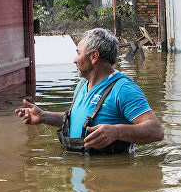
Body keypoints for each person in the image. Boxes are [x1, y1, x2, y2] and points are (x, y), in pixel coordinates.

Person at [15, 28, 164, 154]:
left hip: (108, 180)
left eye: (78, 53)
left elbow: (156, 131)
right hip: (81, 176)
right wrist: (43, 116)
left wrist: (116, 131)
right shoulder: (82, 85)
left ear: (94, 56)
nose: (75, 59)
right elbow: (77, 120)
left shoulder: (123, 89)